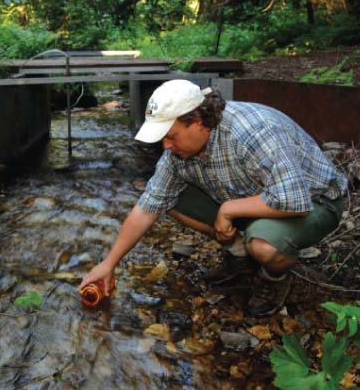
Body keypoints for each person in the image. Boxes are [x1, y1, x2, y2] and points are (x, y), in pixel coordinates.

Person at [79, 79, 347, 316]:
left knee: (265, 246)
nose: (166, 146)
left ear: (197, 122)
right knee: (169, 200)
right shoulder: (178, 154)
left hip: (315, 201)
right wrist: (109, 263)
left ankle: (273, 278)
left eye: (171, 136)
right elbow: (147, 207)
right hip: (256, 197)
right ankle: (240, 254)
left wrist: (228, 210)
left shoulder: (251, 132)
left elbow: (293, 200)